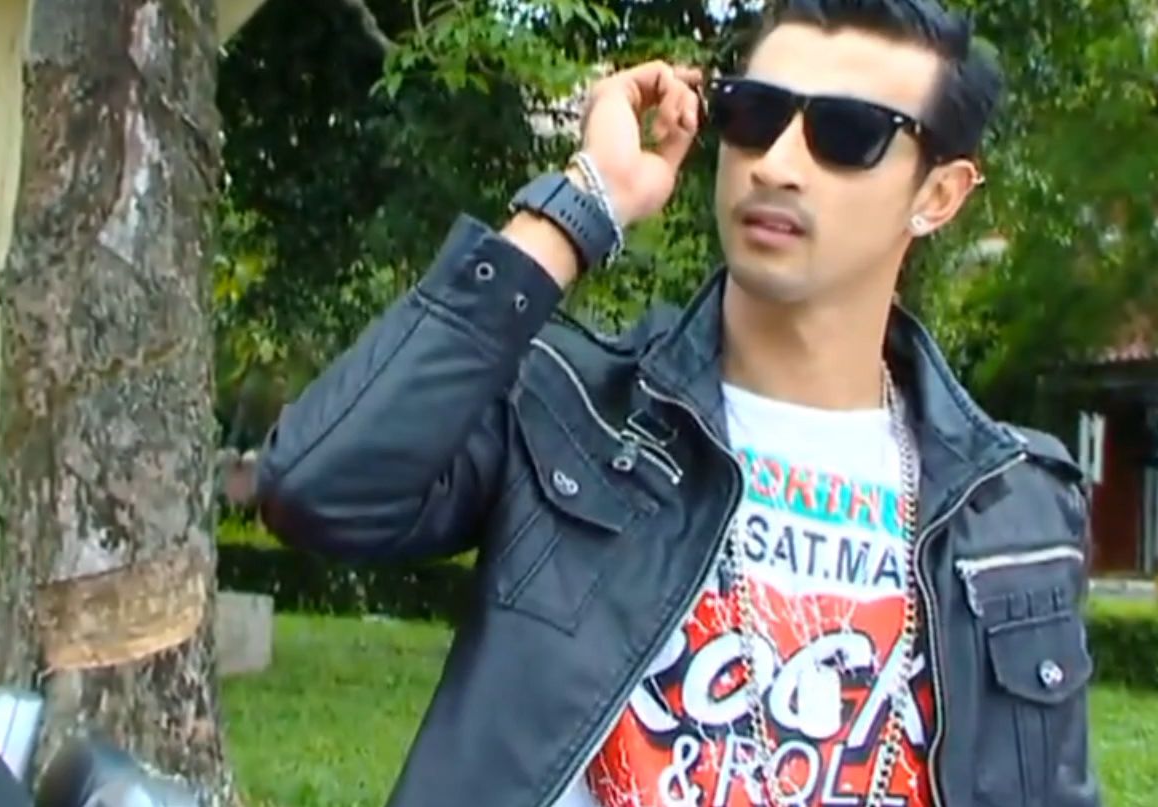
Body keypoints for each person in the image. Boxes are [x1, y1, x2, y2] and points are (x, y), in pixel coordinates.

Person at [254, 1, 1101, 805]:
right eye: (754, 115)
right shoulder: (574, 414)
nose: (776, 164)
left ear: (939, 195)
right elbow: (318, 490)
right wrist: (585, 201)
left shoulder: (1015, 509)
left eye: (848, 134)